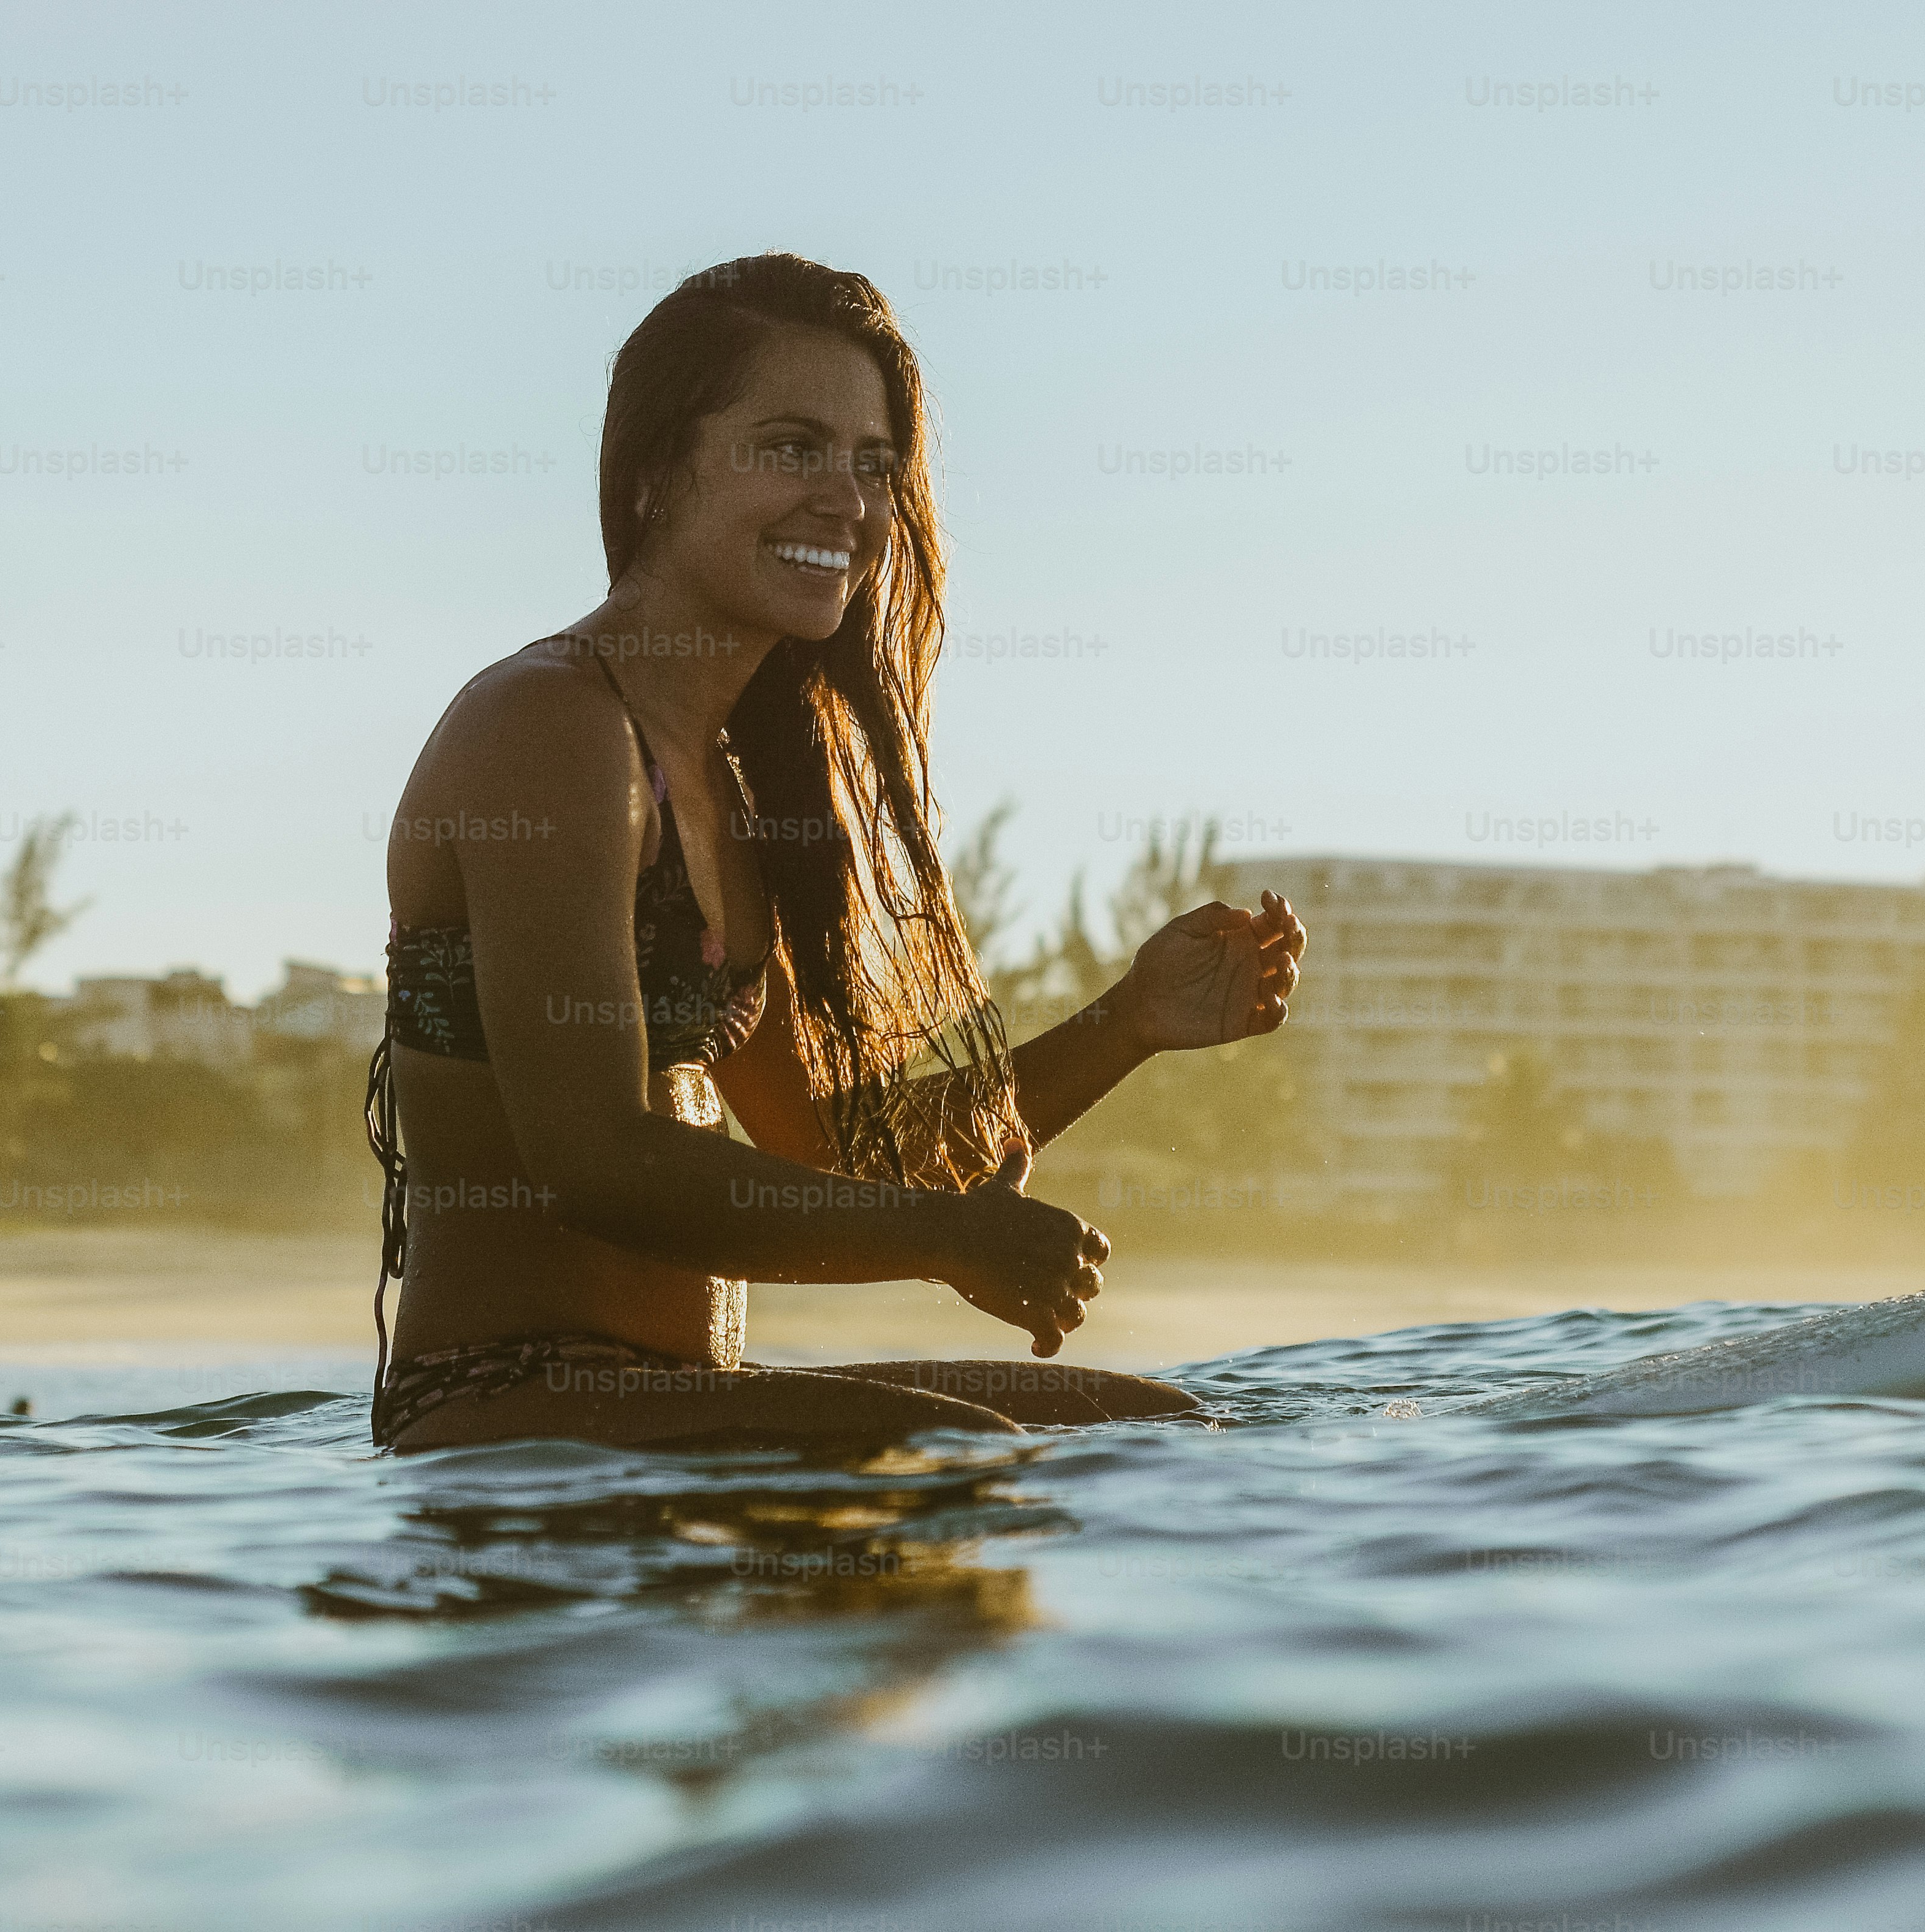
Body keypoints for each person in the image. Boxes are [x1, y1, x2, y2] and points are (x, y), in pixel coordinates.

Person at [363, 253, 1304, 1453]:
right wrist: (948, 1241)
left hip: (671, 1404)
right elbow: (595, 1160)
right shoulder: (549, 728)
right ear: (657, 471)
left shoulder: (725, 781)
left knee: (1160, 1424)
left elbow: (847, 1153)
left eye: (872, 463)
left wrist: (1128, 1020)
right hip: (509, 1413)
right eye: (793, 446)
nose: (848, 501)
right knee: (948, 1451)